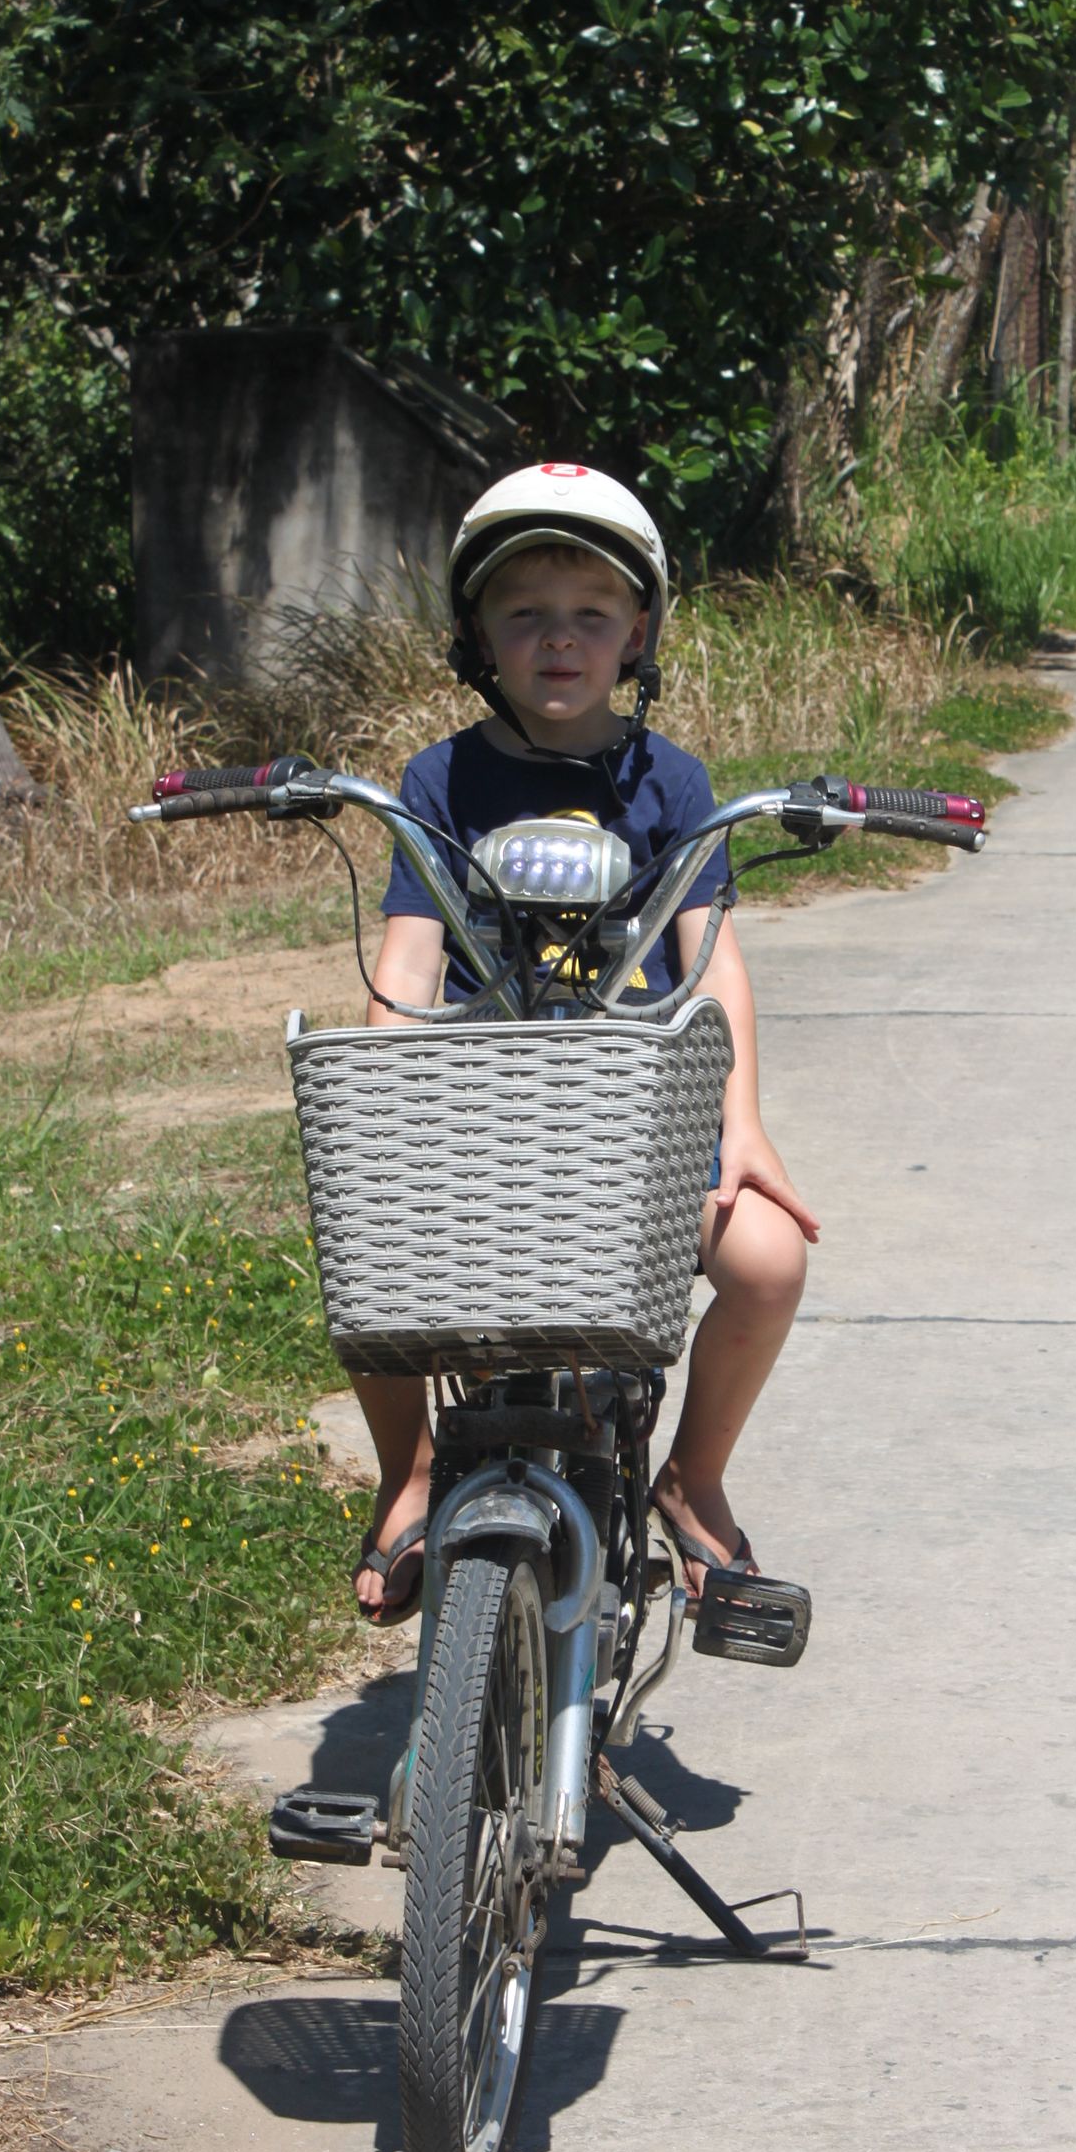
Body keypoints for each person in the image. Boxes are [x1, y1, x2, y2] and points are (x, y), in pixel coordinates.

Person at [349, 461, 817, 1621]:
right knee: (367, 1266)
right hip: (480, 1106)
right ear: (479, 636)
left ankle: (693, 1481)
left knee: (768, 1261)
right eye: (525, 617)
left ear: (637, 632)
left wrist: (740, 1128)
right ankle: (405, 1473)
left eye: (590, 617)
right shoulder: (440, 779)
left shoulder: (669, 783)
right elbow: (406, 966)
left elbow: (713, 966)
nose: (558, 642)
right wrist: (382, 1108)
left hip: (637, 1116)